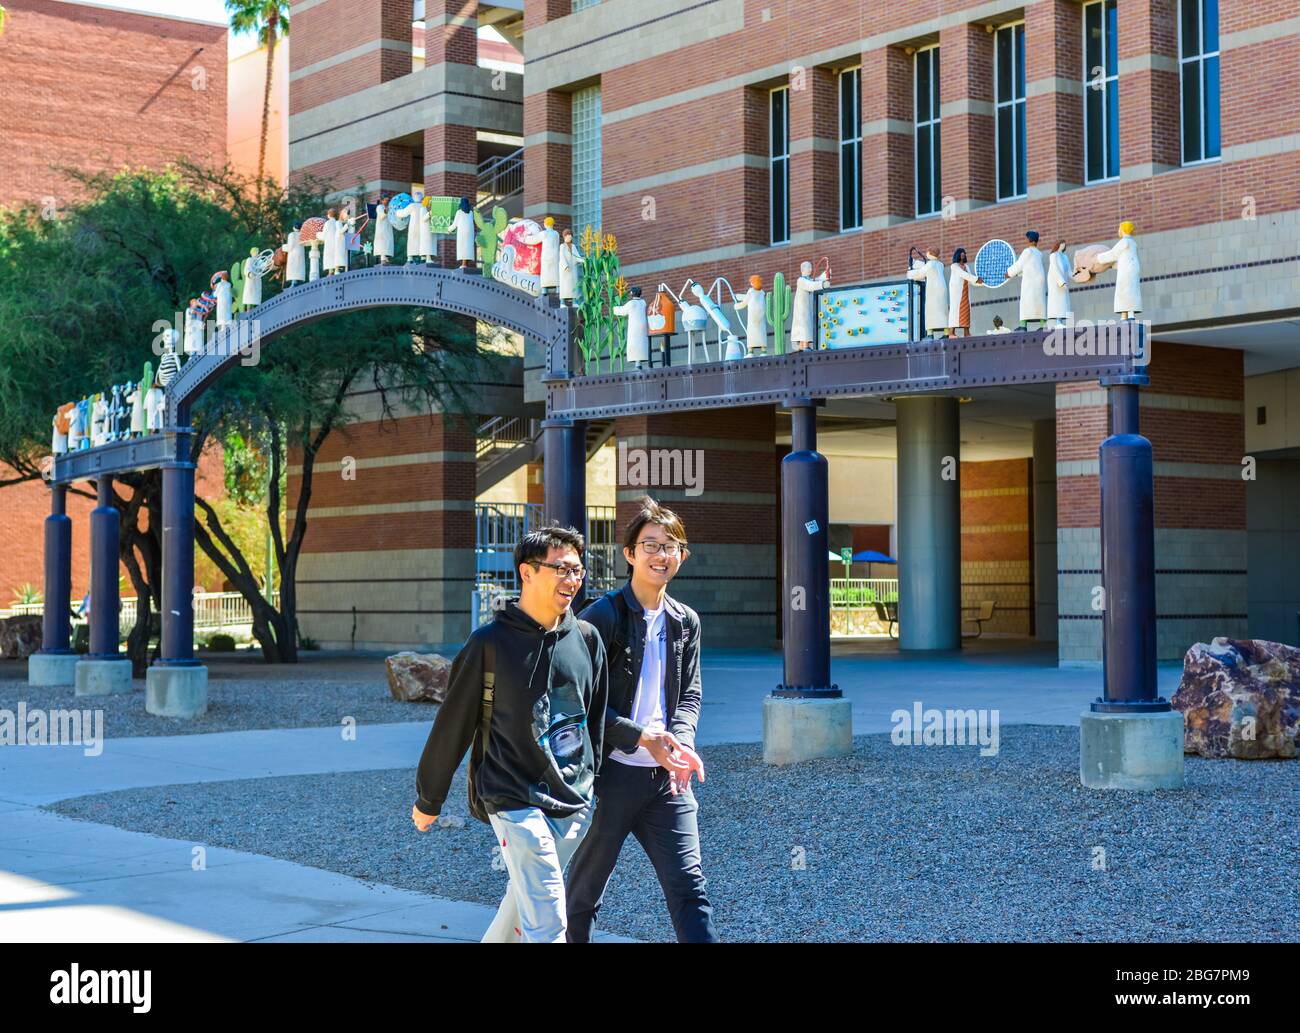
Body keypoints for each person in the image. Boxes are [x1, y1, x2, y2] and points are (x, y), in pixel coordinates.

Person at [411, 524, 609, 943]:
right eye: (560, 569)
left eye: (577, 570)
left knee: (524, 902)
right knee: (549, 916)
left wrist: (594, 786)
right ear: (527, 572)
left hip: (574, 800)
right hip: (513, 797)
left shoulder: (588, 639)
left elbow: (595, 721)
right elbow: (454, 724)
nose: (571, 580)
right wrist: (430, 797)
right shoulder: (489, 643)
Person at [566, 496, 717, 943]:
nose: (661, 554)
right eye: (650, 545)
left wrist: (680, 743)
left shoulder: (685, 621)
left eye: (671, 546)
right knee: (583, 892)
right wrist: (639, 737)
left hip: (664, 782)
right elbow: (578, 701)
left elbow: (689, 694)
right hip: (607, 778)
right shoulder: (602, 616)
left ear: (682, 558)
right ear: (629, 554)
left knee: (690, 889)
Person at [1096, 220, 1141, 320]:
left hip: (1126, 272)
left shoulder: (1124, 242)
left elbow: (1113, 254)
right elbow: (1125, 259)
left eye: (1119, 228)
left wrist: (1097, 258)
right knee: (1131, 291)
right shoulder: (1133, 243)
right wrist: (1113, 265)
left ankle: (1126, 314)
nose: (1118, 230)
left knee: (1124, 291)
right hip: (1132, 270)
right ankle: (1128, 314)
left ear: (1123, 230)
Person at [1004, 230, 1047, 330]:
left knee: (1026, 303)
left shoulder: (1027, 251)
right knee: (1040, 303)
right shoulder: (1038, 253)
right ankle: (1043, 325)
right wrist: (1018, 274)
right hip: (1039, 281)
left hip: (1030, 282)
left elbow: (1019, 265)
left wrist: (1009, 273)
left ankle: (1023, 326)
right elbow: (1029, 267)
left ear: (1029, 239)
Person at [947, 248, 984, 337]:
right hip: (957, 293)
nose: (963, 256)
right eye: (961, 254)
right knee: (955, 312)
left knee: (966, 311)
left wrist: (982, 283)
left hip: (965, 292)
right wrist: (976, 279)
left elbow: (970, 279)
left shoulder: (966, 266)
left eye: (964, 254)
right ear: (958, 255)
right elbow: (964, 275)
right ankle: (951, 333)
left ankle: (966, 332)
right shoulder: (954, 266)